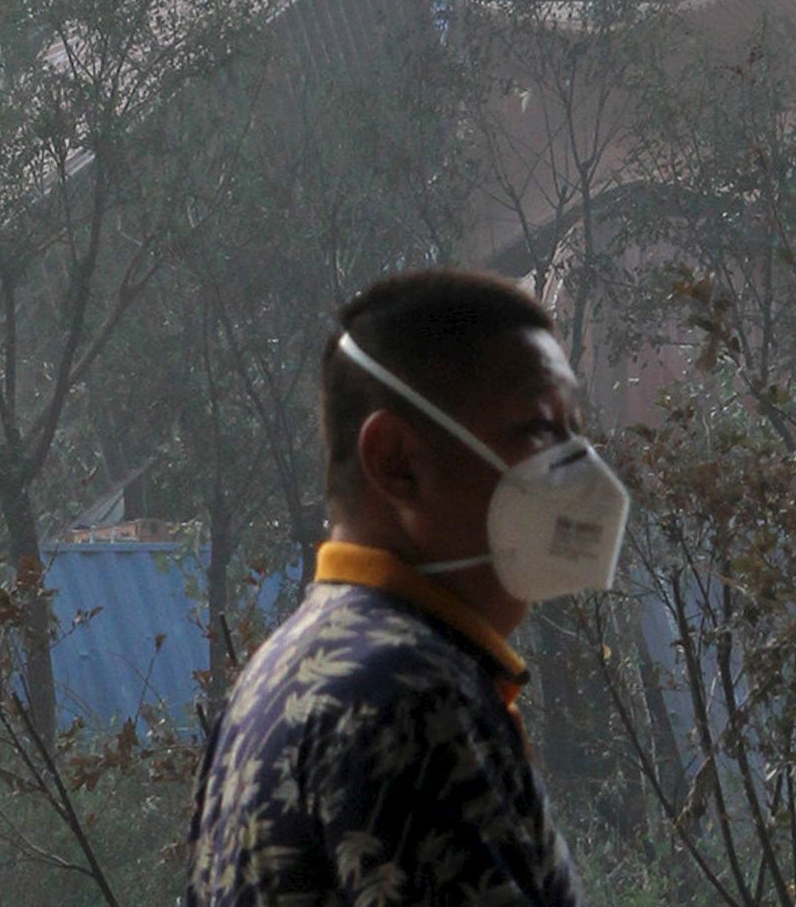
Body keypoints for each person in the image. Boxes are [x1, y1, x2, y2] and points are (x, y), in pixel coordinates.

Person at [184, 268, 631, 906]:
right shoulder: (408, 697)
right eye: (537, 429)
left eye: (572, 428)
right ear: (398, 461)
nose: (577, 468)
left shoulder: (281, 675)